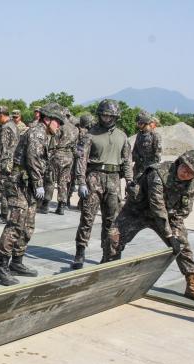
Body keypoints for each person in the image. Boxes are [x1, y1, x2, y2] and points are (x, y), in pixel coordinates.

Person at [107, 150, 194, 303]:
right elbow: (157, 206)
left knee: (183, 245)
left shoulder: (192, 183)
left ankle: (192, 285)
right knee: (113, 238)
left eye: (191, 173)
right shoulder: (158, 173)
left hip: (167, 217)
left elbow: (184, 209)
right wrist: (169, 236)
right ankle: (108, 277)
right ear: (179, 162)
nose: (186, 173)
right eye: (185, 168)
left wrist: (176, 231)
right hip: (138, 212)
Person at [0, 103, 64, 286]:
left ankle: (17, 261)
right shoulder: (37, 133)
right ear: (47, 119)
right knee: (16, 224)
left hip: (29, 186)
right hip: (20, 185)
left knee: (28, 225)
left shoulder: (44, 134)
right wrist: (39, 183)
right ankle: (1, 267)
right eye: (58, 122)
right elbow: (33, 160)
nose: (59, 126)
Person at [72, 99, 132, 269]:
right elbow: (81, 160)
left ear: (115, 117)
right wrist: (81, 182)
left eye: (109, 116)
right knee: (87, 217)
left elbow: (127, 161)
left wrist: (129, 181)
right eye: (103, 115)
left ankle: (108, 254)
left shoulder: (122, 136)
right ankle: (80, 252)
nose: (106, 118)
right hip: (94, 178)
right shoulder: (90, 134)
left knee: (112, 220)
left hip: (114, 179)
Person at [42, 108, 79, 215]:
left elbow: (54, 142)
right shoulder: (75, 129)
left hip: (57, 155)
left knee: (50, 180)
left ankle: (46, 204)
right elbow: (75, 145)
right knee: (63, 182)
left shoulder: (60, 127)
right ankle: (61, 206)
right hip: (69, 157)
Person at [0, 105, 19, 224]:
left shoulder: (5, 128)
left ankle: (3, 215)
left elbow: (2, 149)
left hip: (5, 164)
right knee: (11, 190)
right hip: (13, 163)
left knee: (3, 190)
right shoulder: (14, 125)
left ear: (1, 115)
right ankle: (13, 214)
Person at [68, 113, 94, 207]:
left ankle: (81, 201)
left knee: (83, 180)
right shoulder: (77, 130)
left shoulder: (90, 131)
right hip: (77, 157)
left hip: (84, 159)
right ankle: (68, 198)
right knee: (72, 179)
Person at [132, 111, 163, 179]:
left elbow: (157, 157)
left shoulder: (155, 136)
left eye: (140, 123)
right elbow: (134, 151)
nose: (138, 125)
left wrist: (150, 169)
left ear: (146, 123)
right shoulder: (139, 135)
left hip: (149, 171)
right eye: (138, 123)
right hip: (137, 170)